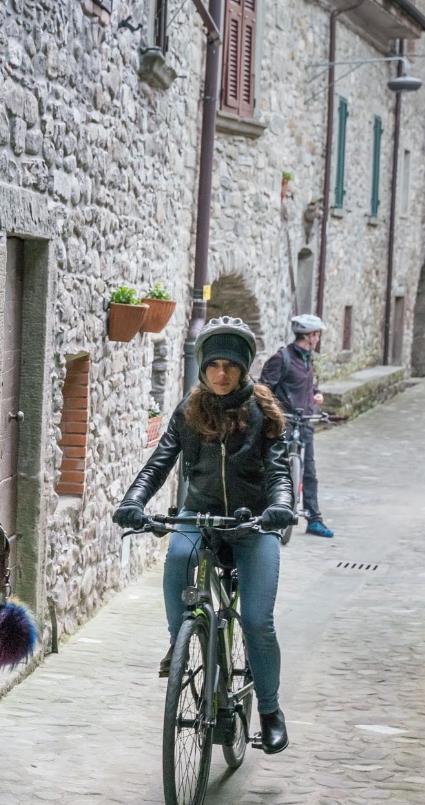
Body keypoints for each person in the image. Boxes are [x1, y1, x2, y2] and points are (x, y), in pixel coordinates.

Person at [114, 317, 295, 754]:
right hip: (198, 515)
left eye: (230, 365)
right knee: (177, 560)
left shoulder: (263, 411)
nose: (220, 373)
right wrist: (133, 501)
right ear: (202, 367)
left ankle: (270, 711)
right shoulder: (189, 410)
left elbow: (279, 472)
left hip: (253, 524)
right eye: (212, 364)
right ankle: (182, 646)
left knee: (255, 620)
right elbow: (159, 463)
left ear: (243, 368)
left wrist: (281, 508)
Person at [260, 313, 333, 537]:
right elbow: (264, 389)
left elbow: (307, 385)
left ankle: (314, 520)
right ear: (310, 335)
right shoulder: (282, 358)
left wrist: (316, 394)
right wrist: (273, 413)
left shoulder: (307, 358)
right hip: (285, 421)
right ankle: (268, 511)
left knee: (309, 471)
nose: (318, 338)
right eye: (317, 335)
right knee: (276, 468)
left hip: (305, 421)